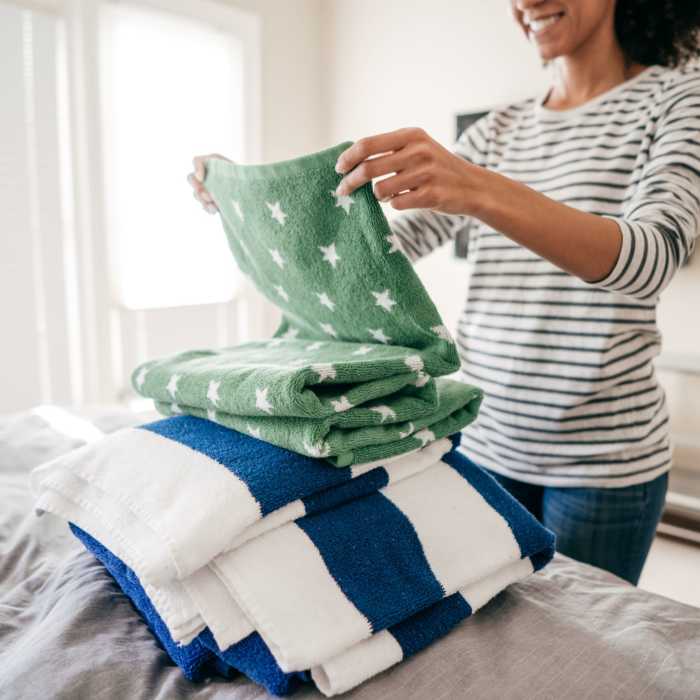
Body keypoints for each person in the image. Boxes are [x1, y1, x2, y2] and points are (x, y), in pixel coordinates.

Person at [188, 0, 700, 585]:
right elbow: (381, 255)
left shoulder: (678, 100)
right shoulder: (500, 129)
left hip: (603, 463)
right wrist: (249, 204)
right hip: (485, 439)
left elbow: (652, 257)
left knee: (583, 649)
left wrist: (480, 189)